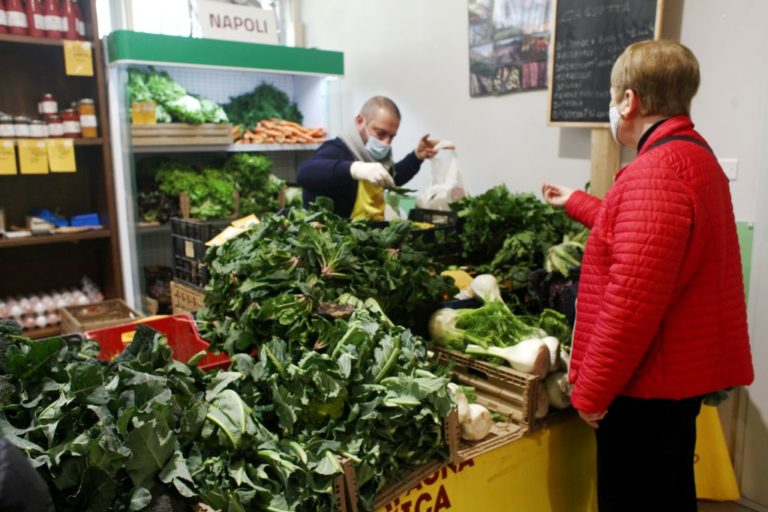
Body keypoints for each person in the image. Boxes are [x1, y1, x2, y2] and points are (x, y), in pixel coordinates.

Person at [542, 40, 753, 512]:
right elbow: (645, 241)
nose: (612, 109)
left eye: (614, 97)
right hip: (676, 380)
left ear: (630, 100)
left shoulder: (654, 172)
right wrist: (577, 201)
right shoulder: (693, 159)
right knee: (669, 492)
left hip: (644, 386)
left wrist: (592, 392)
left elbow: (631, 304)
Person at [296, 96, 447, 220]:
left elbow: (390, 178)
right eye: (381, 133)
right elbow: (304, 173)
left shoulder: (371, 159)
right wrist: (355, 168)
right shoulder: (336, 149)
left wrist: (416, 156)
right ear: (360, 121)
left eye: (391, 137)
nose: (386, 142)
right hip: (329, 243)